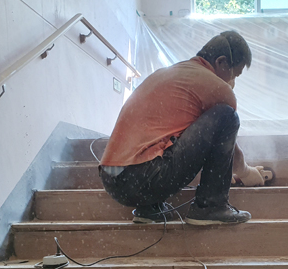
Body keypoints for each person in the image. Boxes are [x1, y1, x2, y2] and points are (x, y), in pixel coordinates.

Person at [99, 30, 265, 225]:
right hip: (145, 178)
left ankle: (149, 209)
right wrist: (247, 173)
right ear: (221, 62)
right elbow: (230, 148)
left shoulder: (165, 74)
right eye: (234, 74)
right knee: (227, 115)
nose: (232, 81)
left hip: (113, 181)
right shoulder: (215, 86)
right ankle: (210, 206)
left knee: (166, 138)